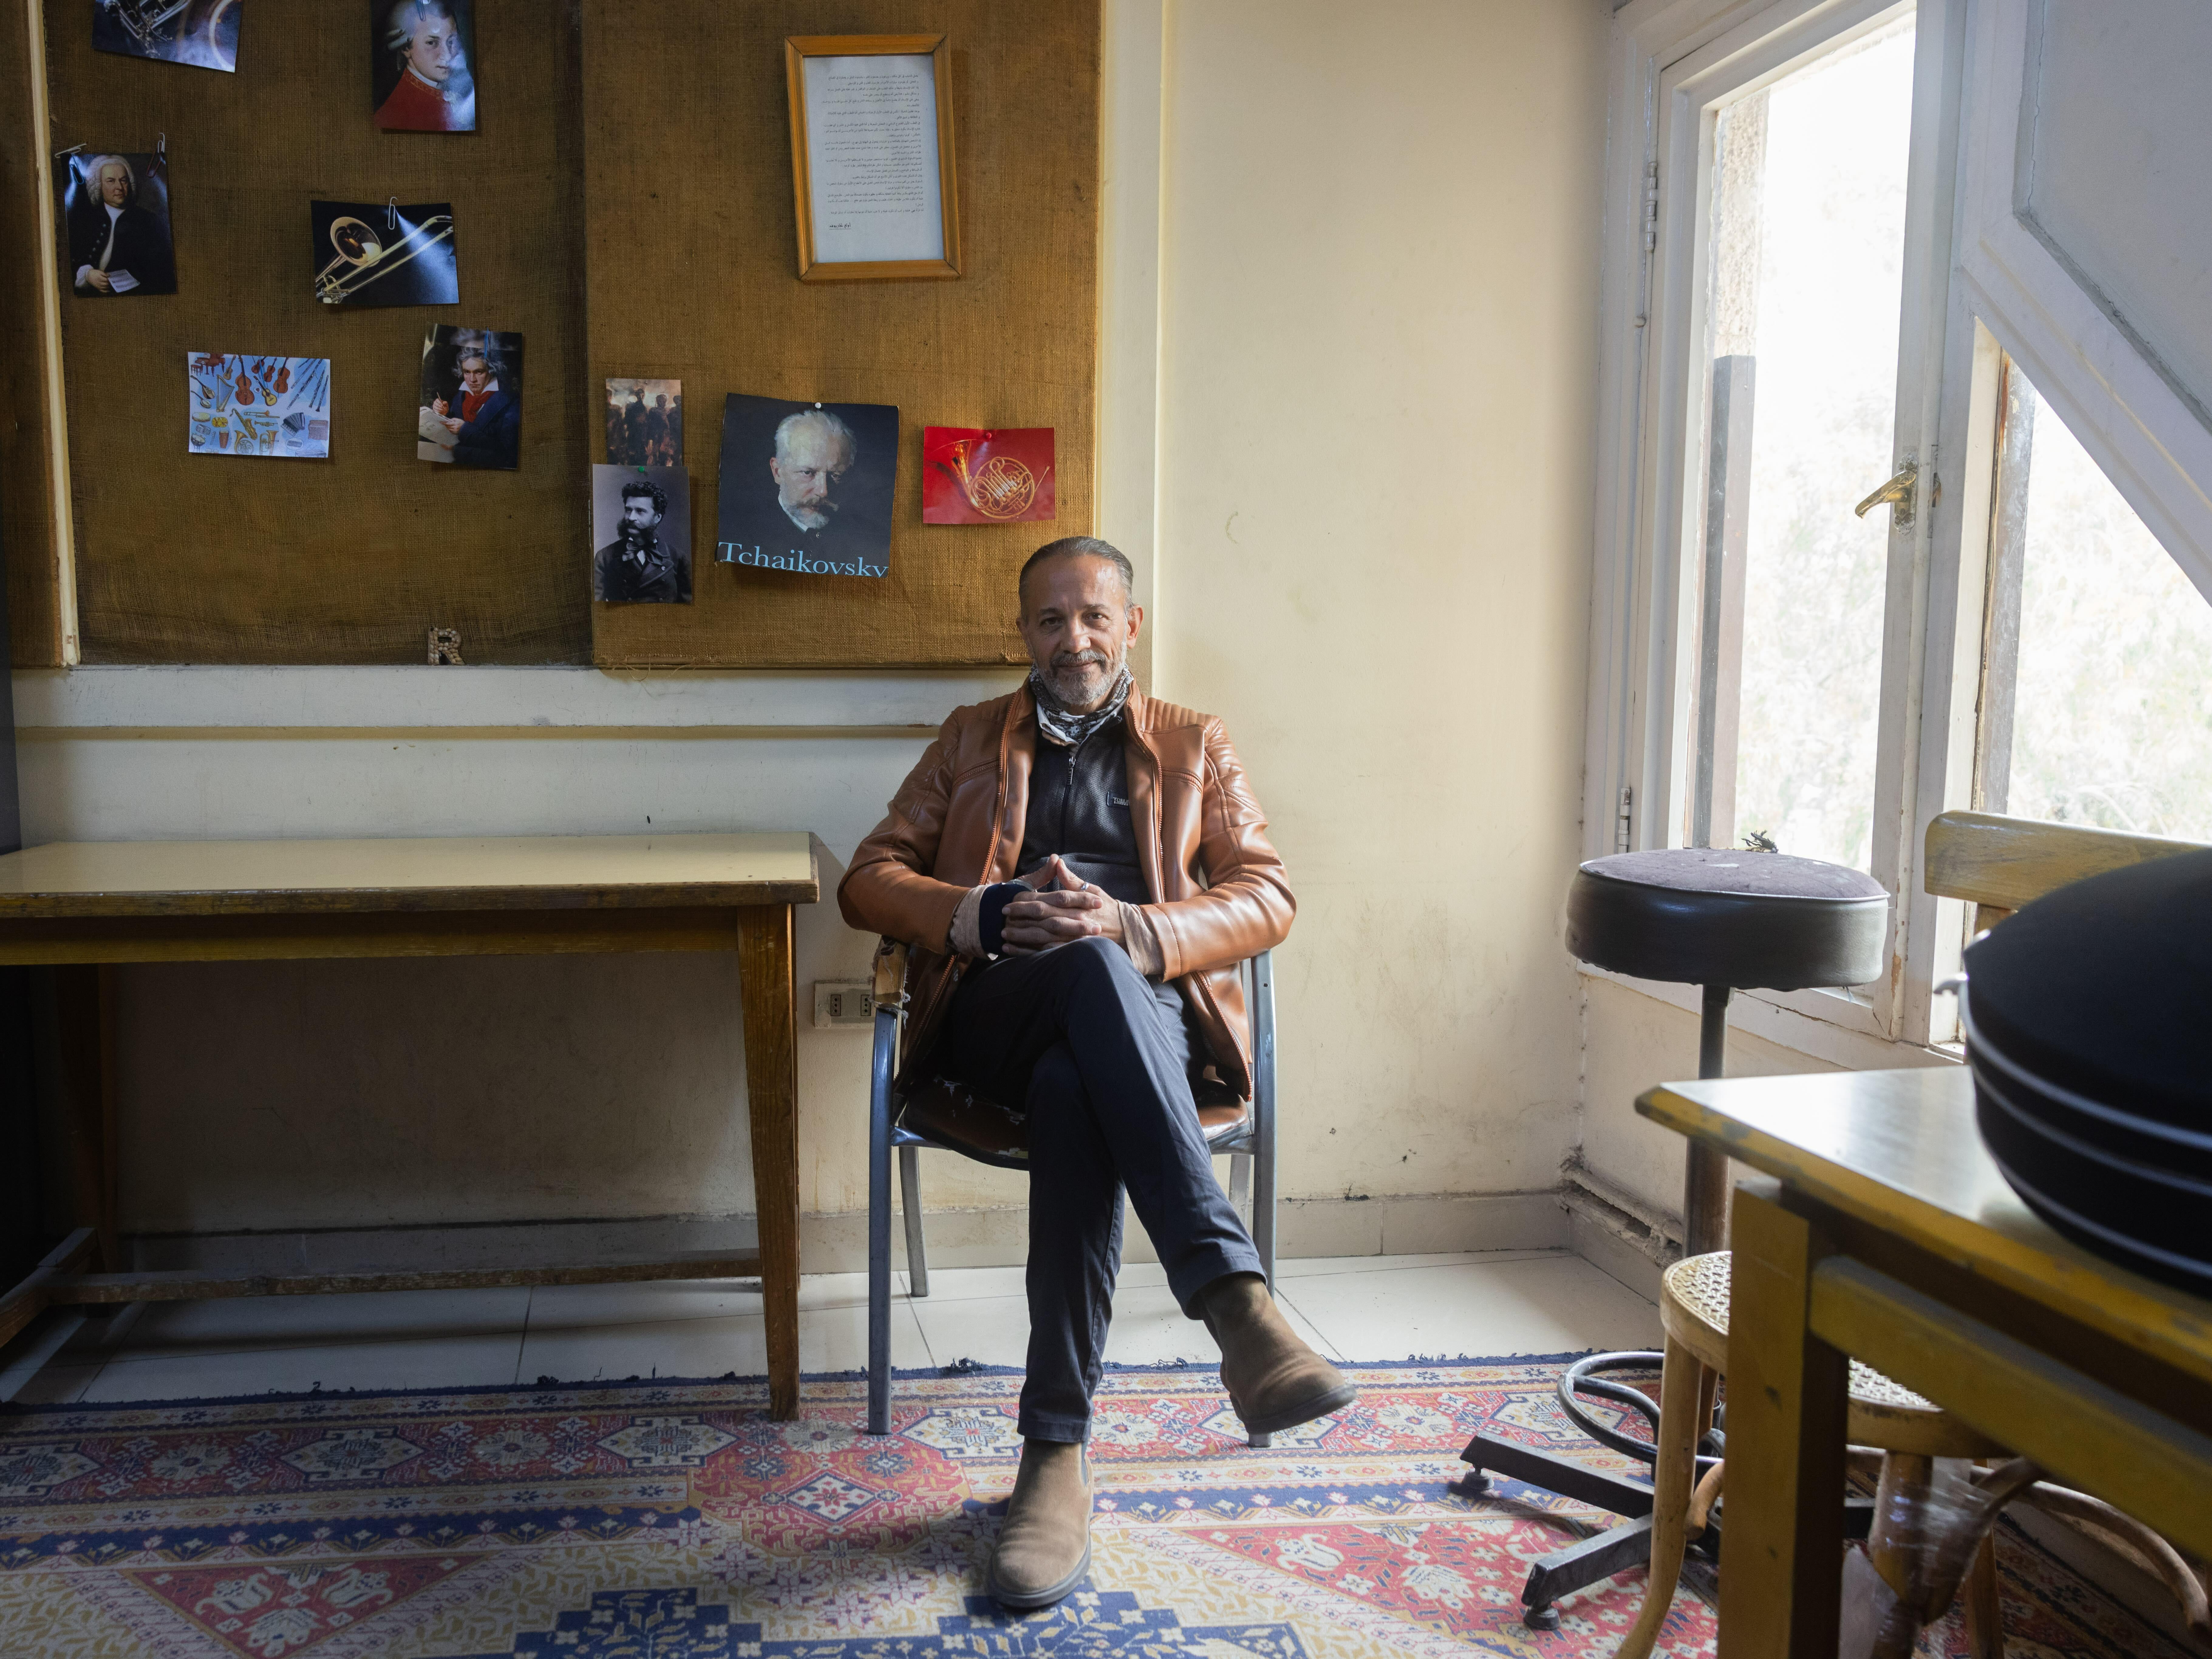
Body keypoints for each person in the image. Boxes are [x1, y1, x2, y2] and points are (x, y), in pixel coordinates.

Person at [839, 537, 1348, 1611]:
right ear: (1022, 632)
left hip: (1138, 1034)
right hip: (993, 1016)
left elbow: (1267, 894)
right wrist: (974, 914)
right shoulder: (971, 736)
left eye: (1093, 617)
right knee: (1076, 974)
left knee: (1085, 1061)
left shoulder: (1194, 742)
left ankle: (1052, 1457)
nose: (1072, 638)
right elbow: (869, 875)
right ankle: (1235, 1304)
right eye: (1048, 620)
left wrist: (1133, 926)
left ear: (1131, 626)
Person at [68, 155, 174, 296]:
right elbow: (71, 261)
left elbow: (161, 273)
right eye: (111, 181)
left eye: (124, 181)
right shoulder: (86, 219)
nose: (119, 187)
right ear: (99, 185)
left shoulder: (148, 221)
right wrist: (88, 275)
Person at [376, 0, 475, 131]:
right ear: (406, 49)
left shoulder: (449, 92)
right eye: (432, 43)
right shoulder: (396, 114)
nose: (448, 56)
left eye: (451, 42)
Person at [594, 479, 688, 603]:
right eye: (629, 510)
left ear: (657, 517)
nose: (631, 518)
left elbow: (687, 609)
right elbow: (598, 608)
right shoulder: (605, 557)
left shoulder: (678, 558)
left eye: (640, 511)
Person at [431, 351, 519, 469]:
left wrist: (464, 431)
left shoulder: (510, 402)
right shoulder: (461, 396)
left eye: (479, 372)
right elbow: (453, 428)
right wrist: (444, 413)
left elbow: (506, 456)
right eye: (467, 372)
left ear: (491, 371)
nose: (472, 380)